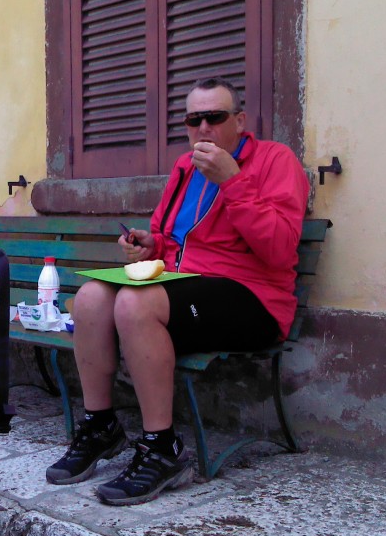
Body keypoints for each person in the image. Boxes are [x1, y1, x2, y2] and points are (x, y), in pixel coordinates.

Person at [45, 77, 310, 505]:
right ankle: (100, 426)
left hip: (252, 298)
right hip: (187, 290)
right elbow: (174, 242)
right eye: (193, 119)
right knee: (93, 295)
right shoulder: (185, 169)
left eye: (215, 117)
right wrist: (150, 245)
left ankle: (162, 448)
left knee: (134, 301)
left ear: (239, 121)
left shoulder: (275, 162)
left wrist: (233, 181)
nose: (203, 128)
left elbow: (280, 249)